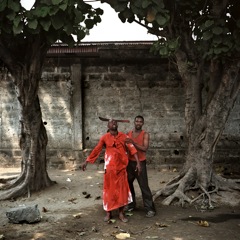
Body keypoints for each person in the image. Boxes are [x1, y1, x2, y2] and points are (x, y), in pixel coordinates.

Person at [82, 118, 141, 223]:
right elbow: (97, 149)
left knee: (122, 191)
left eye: (115, 122)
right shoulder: (105, 137)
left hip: (122, 169)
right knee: (109, 190)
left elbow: (132, 149)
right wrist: (87, 161)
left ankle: (121, 213)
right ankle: (108, 213)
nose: (114, 123)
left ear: (117, 125)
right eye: (111, 122)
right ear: (108, 126)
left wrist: (138, 163)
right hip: (109, 169)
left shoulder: (124, 136)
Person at [125, 115, 156, 217]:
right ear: (134, 122)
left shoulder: (145, 134)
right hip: (130, 163)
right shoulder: (128, 134)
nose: (138, 123)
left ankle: (150, 209)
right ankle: (131, 205)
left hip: (141, 162)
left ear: (142, 123)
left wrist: (133, 142)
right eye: (136, 121)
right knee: (128, 184)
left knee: (144, 186)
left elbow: (144, 148)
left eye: (140, 122)